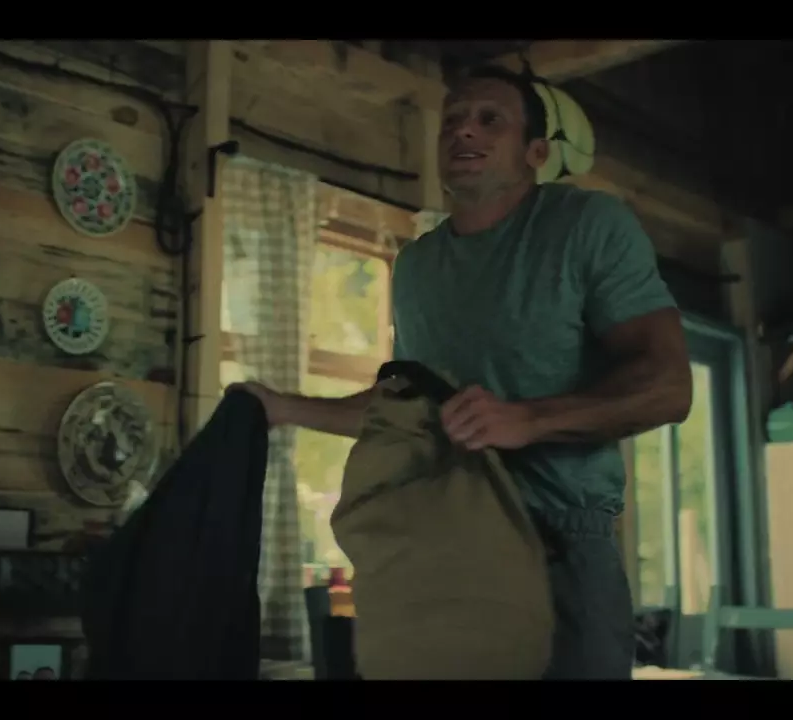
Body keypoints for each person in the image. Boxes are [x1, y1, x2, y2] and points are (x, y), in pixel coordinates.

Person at [230, 64, 692, 679]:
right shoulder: (416, 266)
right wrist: (283, 408)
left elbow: (669, 386)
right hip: (439, 547)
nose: (463, 131)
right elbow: (404, 411)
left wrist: (529, 420)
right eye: (452, 121)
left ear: (535, 152)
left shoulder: (587, 225)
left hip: (559, 545)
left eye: (489, 119)